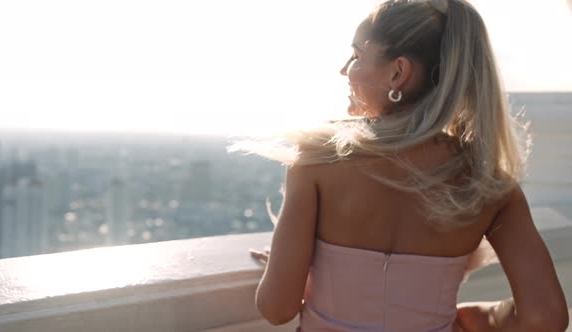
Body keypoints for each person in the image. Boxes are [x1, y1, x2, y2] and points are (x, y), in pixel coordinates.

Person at [240, 0, 569, 330]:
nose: (344, 70)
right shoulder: (488, 184)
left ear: (398, 72)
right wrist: (459, 318)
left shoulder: (318, 159)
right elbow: (545, 318)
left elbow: (277, 307)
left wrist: (301, 272)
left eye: (355, 56)